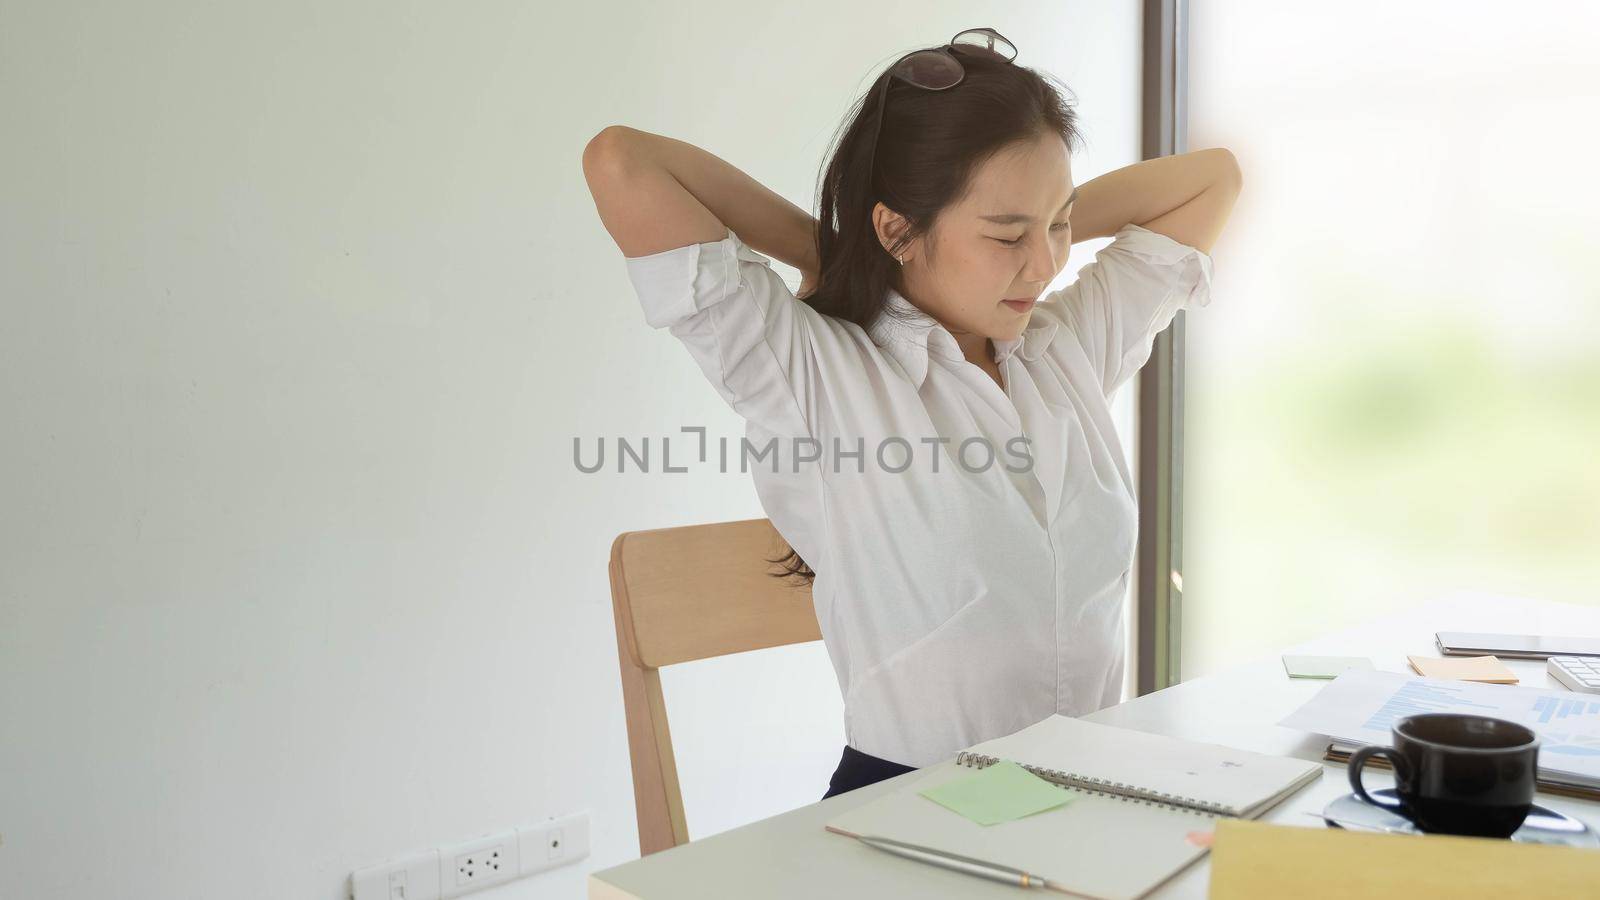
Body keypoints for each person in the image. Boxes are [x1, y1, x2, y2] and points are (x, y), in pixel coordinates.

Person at [581, 28, 1241, 800]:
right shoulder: (815, 374)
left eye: (1059, 225)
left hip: (1088, 793)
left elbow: (1215, 179)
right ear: (896, 227)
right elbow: (623, 163)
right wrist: (833, 253)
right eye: (1006, 235)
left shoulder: (1064, 346)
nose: (1046, 264)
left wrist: (1031, 211)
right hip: (911, 808)